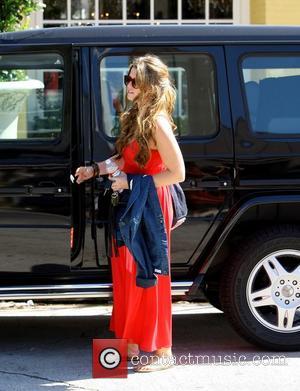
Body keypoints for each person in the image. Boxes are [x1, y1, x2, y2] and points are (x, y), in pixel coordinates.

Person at [75, 54, 185, 372]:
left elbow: (177, 173)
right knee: (126, 274)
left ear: (150, 85)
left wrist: (131, 182)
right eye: (127, 78)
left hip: (150, 207)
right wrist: (95, 169)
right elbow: (124, 160)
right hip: (132, 204)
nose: (128, 84)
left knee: (149, 275)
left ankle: (162, 351)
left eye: (134, 79)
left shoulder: (158, 122)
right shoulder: (136, 116)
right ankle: (133, 344)